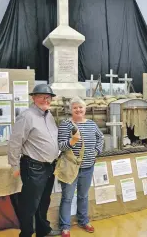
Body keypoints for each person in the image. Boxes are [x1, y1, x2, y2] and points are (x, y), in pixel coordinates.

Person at [8, 84, 60, 237]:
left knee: (44, 201)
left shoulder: (49, 115)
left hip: (49, 167)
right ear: (33, 98)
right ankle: (26, 233)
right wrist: (14, 166)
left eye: (48, 97)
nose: (46, 99)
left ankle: (43, 230)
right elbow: (15, 143)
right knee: (30, 204)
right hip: (33, 167)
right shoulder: (27, 116)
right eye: (42, 96)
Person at [58, 96, 104, 237]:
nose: (78, 109)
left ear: (85, 109)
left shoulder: (91, 124)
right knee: (67, 197)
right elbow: (60, 146)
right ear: (71, 110)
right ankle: (65, 226)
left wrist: (96, 151)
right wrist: (73, 141)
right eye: (75, 107)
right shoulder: (65, 124)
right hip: (71, 168)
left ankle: (83, 220)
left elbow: (100, 138)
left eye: (80, 107)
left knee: (83, 196)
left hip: (88, 167)